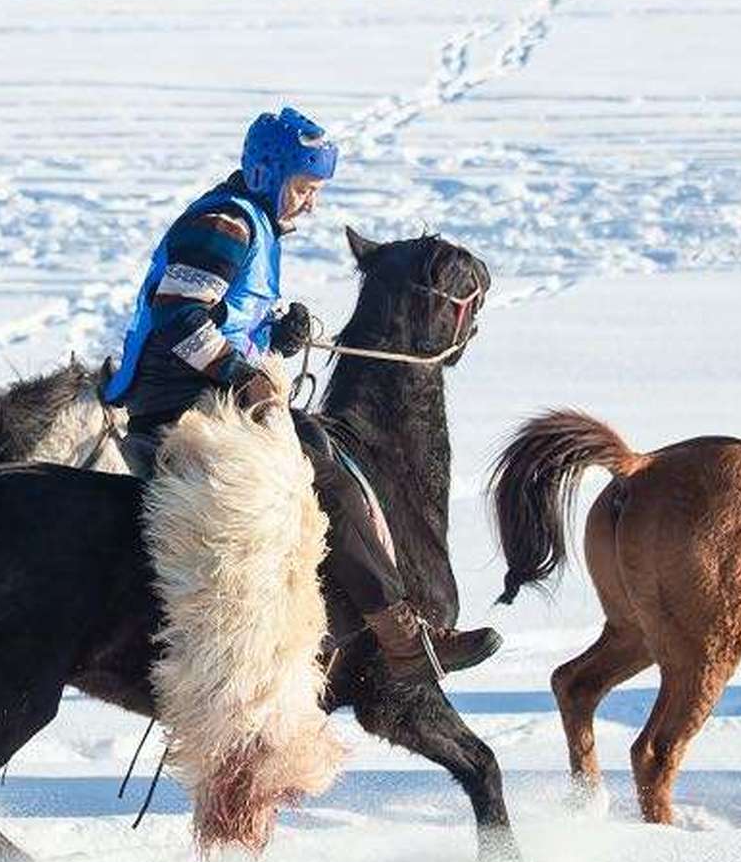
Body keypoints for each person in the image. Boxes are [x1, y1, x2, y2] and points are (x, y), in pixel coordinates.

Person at [102, 107, 500, 684]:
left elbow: (222, 317)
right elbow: (178, 318)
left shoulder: (250, 225)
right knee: (321, 475)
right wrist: (241, 371)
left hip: (206, 395)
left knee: (315, 441)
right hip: (179, 405)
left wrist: (275, 335)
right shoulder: (225, 226)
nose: (311, 203)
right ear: (267, 176)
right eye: (304, 188)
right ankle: (400, 635)